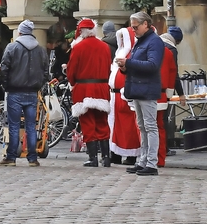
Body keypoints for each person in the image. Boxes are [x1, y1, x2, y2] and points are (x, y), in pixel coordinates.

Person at [0, 20, 50, 167]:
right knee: (31, 126)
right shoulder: (40, 49)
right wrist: (39, 85)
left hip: (15, 90)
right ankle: (32, 158)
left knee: (14, 125)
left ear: (19, 32)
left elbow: (5, 68)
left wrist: (6, 86)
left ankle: (11, 157)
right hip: (32, 91)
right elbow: (46, 71)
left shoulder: (12, 47)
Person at [118, 11, 165, 176]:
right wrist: (125, 68)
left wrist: (128, 63)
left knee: (150, 127)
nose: (134, 30)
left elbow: (152, 65)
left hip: (147, 89)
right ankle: (143, 161)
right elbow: (138, 65)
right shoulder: (142, 41)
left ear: (146, 24)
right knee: (143, 127)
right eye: (132, 27)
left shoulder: (154, 41)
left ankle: (151, 163)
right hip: (138, 88)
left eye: (136, 27)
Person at [67, 18, 112, 167]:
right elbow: (108, 68)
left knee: (88, 123)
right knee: (102, 122)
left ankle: (93, 158)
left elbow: (71, 71)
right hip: (101, 87)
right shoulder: (104, 46)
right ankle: (106, 157)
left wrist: (73, 83)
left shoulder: (78, 47)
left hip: (84, 88)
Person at [108, 26, 141, 165]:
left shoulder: (132, 55)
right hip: (114, 96)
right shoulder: (119, 53)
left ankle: (130, 155)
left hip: (125, 95)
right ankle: (115, 153)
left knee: (128, 128)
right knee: (114, 127)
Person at [156, 32, 180, 168]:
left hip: (151, 93)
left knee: (149, 128)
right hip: (161, 94)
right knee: (159, 127)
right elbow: (173, 75)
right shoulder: (168, 52)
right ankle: (159, 157)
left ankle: (151, 158)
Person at [164, 26, 185, 154]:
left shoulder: (155, 42)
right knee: (163, 120)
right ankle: (164, 148)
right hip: (163, 89)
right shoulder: (171, 49)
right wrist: (181, 94)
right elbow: (174, 73)